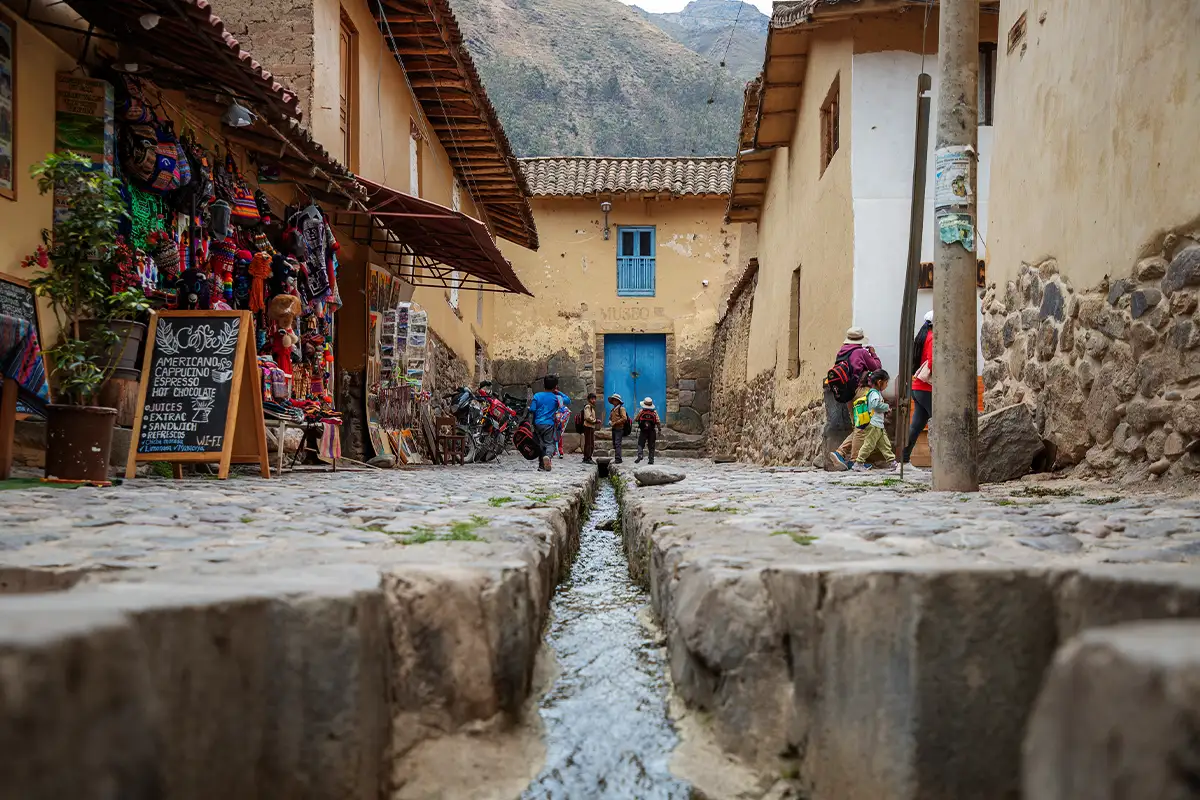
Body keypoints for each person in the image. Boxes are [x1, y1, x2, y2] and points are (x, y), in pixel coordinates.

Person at [824, 327, 882, 467]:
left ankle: (841, 453)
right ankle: (855, 461)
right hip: (860, 391)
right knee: (862, 426)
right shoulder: (861, 352)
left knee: (858, 425)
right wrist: (873, 354)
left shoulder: (842, 352)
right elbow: (876, 368)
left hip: (848, 393)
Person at [903, 310, 934, 469]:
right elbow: (932, 362)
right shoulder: (932, 338)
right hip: (928, 387)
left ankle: (903, 459)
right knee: (941, 421)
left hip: (918, 387)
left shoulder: (922, 337)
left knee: (916, 426)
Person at [853, 370, 897, 471]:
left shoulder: (876, 393)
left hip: (878, 425)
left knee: (885, 444)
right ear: (879, 382)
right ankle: (858, 462)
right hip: (873, 424)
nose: (886, 385)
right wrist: (886, 407)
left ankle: (892, 462)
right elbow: (875, 405)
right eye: (886, 383)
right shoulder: (874, 393)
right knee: (869, 445)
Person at [529, 375, 564, 472]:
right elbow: (567, 400)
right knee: (550, 444)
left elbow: (532, 409)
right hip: (549, 424)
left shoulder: (537, 396)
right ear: (555, 386)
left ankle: (541, 466)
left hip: (537, 424)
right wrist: (558, 392)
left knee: (540, 445)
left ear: (544, 385)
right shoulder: (556, 397)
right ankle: (548, 457)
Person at [634, 397, 662, 464]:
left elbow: (636, 419)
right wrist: (659, 429)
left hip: (643, 431)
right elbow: (658, 421)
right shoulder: (654, 412)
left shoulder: (641, 411)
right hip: (652, 431)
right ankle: (651, 460)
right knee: (651, 445)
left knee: (640, 443)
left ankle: (640, 455)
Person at [608, 394, 629, 463]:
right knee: (614, 443)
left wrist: (615, 423)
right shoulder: (613, 409)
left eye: (614, 400)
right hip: (614, 428)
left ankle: (618, 459)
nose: (613, 401)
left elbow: (624, 418)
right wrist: (610, 421)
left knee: (617, 443)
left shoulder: (621, 409)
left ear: (618, 401)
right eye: (613, 400)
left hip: (619, 428)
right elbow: (610, 418)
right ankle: (617, 457)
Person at [553, 388, 572, 458]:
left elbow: (568, 400)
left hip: (553, 420)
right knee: (557, 435)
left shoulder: (558, 398)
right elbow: (568, 400)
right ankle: (556, 450)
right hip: (554, 420)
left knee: (557, 435)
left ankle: (558, 450)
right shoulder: (559, 398)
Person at [582, 393, 598, 464]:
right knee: (589, 443)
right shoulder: (588, 407)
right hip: (588, 426)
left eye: (594, 399)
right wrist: (595, 421)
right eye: (592, 399)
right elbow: (588, 417)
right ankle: (587, 458)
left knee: (590, 443)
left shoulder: (592, 407)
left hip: (591, 427)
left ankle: (588, 457)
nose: (594, 400)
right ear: (589, 400)